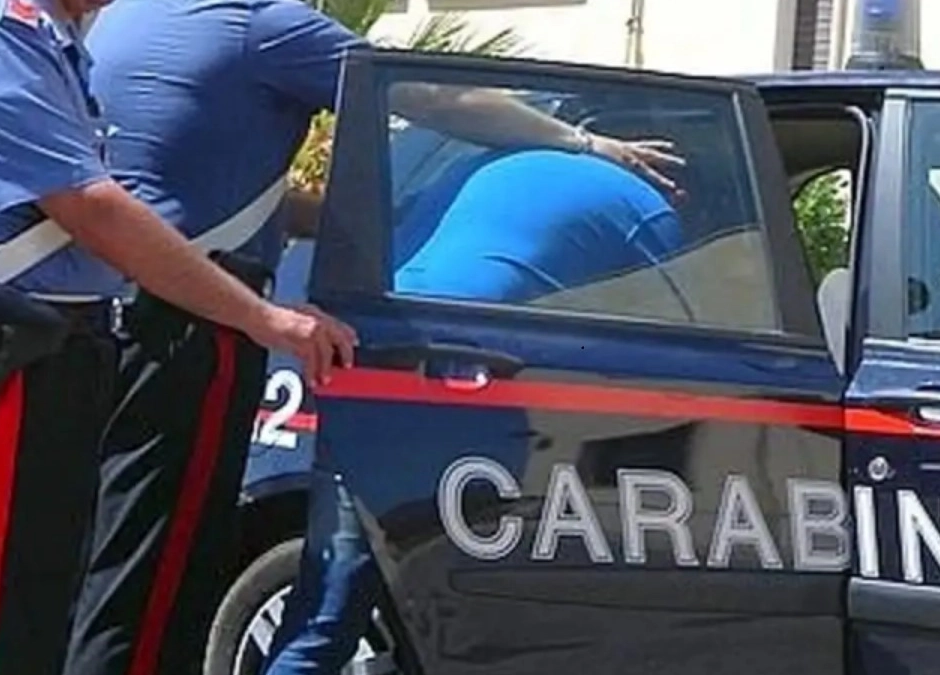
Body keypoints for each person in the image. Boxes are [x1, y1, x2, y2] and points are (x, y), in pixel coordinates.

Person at [63, 3, 684, 675]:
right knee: (167, 570)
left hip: (107, 311)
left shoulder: (127, 18)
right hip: (196, 322)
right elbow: (438, 95)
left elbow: (211, 192)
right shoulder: (260, 21)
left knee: (109, 561)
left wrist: (368, 218)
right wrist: (590, 145)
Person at [0, 1, 356, 675]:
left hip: (55, 346)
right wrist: (265, 317)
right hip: (8, 349)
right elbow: (90, 204)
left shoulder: (62, 36)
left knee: (36, 597)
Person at [264, 146, 687, 675]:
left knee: (329, 606)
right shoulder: (647, 208)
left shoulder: (475, 163)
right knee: (485, 609)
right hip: (477, 392)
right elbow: (682, 337)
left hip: (378, 364)